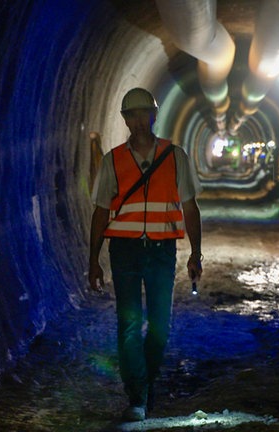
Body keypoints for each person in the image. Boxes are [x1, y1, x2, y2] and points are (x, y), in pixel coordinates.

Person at [88, 87, 203, 422]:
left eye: (144, 114)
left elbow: (190, 207)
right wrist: (93, 260)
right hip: (123, 250)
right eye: (131, 115)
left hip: (160, 250)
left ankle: (147, 382)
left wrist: (196, 253)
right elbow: (99, 212)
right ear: (124, 119)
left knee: (159, 326)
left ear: (154, 115)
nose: (138, 121)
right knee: (128, 324)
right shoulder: (113, 159)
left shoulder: (174, 156)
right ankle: (137, 395)